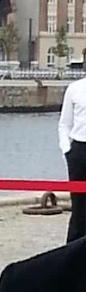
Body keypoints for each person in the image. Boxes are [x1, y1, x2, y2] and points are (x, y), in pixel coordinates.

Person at [58, 76, 86, 242]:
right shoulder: (74, 88)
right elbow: (64, 123)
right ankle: (73, 252)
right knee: (79, 207)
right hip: (79, 150)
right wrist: (66, 150)